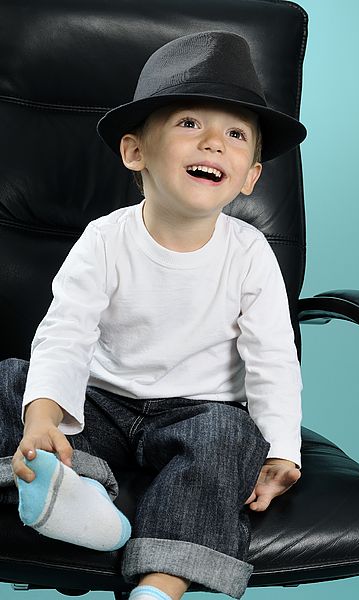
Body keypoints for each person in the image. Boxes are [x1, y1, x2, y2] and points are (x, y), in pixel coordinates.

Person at [0, 31, 307, 600]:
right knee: (10, 379)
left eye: (236, 135)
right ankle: (71, 492)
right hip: (103, 404)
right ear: (135, 152)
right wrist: (43, 414)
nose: (214, 143)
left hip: (198, 413)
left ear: (249, 178)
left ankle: (162, 580)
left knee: (232, 436)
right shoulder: (105, 238)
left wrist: (282, 449)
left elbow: (273, 357)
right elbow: (66, 332)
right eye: (190, 124)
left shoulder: (248, 252)